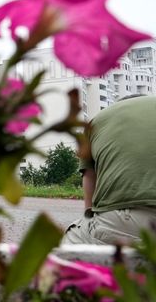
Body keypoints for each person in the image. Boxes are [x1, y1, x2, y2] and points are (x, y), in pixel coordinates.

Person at [62, 95, 156, 246]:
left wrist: (90, 220)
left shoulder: (97, 121)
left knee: (70, 246)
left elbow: (89, 182)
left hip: (122, 224)